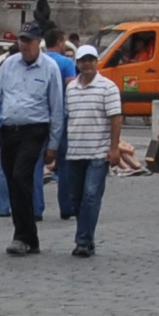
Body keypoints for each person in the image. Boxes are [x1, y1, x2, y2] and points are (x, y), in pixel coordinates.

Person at [0, 25, 67, 255]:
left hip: (35, 129)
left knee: (22, 175)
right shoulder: (9, 65)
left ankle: (21, 235)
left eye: (29, 40)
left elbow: (57, 108)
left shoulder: (49, 68)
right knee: (13, 181)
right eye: (22, 40)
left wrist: (53, 144)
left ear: (38, 41)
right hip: (9, 130)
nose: (25, 44)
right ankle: (31, 236)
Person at [55, 41, 133, 256]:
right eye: (83, 61)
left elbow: (115, 119)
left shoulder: (108, 87)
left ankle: (82, 240)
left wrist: (114, 147)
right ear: (77, 63)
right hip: (75, 151)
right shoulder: (70, 89)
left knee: (91, 195)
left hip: (98, 151)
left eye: (90, 60)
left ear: (96, 62)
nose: (87, 64)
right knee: (76, 197)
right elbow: (66, 118)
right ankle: (87, 236)